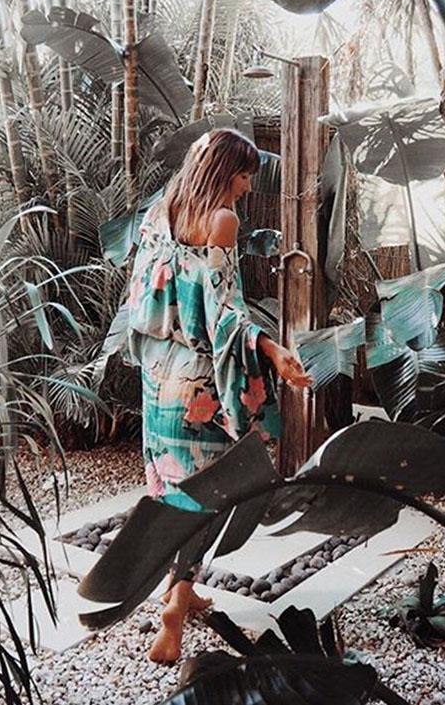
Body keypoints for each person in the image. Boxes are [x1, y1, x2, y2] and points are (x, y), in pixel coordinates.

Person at [124, 128, 312, 664]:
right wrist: (270, 349)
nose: (248, 186)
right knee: (208, 497)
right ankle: (176, 606)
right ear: (224, 172)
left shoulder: (162, 209)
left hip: (158, 374)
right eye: (245, 174)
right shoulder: (221, 221)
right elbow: (226, 311)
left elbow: (142, 288)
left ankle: (179, 590)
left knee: (172, 492)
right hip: (197, 382)